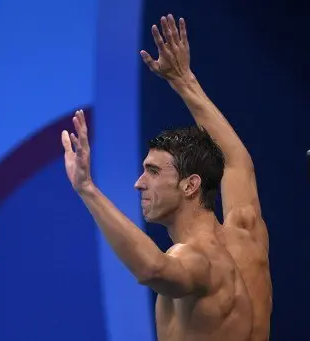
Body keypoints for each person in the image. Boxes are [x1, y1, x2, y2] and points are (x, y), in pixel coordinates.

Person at [61, 14, 272, 341]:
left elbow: (152, 268)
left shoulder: (195, 259)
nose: (139, 183)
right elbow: (236, 163)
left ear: (191, 185)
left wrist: (87, 189)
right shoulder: (247, 235)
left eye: (153, 171)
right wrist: (183, 80)